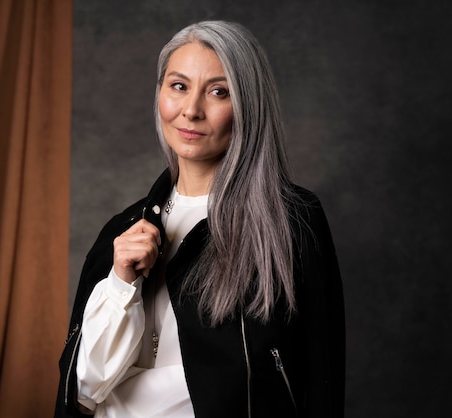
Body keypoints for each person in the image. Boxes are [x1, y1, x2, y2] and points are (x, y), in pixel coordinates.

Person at [55, 20, 344, 418]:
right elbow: (84, 391)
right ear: (159, 94)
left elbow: (321, 372)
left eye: (218, 92)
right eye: (178, 86)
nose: (191, 110)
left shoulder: (290, 219)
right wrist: (121, 285)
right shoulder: (120, 231)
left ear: (247, 105)